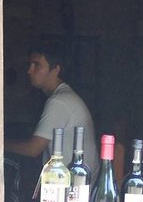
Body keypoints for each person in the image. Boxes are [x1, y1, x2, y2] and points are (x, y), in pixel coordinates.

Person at [6, 43, 99, 179]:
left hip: (73, 185)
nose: (29, 71)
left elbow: (33, 149)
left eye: (37, 65)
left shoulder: (59, 101)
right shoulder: (64, 97)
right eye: (30, 65)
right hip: (73, 180)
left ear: (55, 69)